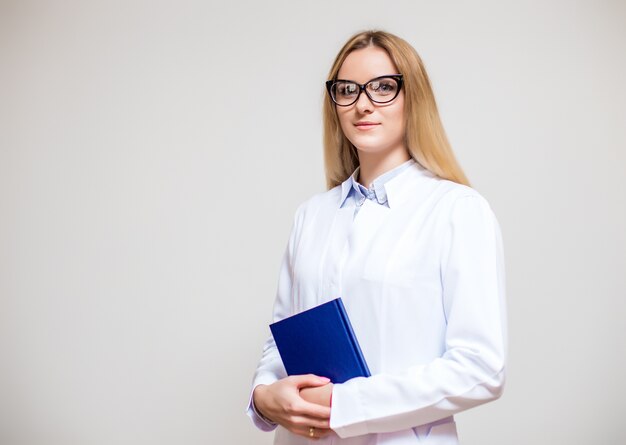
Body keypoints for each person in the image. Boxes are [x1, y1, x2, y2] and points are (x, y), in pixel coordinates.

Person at [246, 30, 507, 445]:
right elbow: (281, 341)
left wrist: (346, 405)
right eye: (346, 90)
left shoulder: (456, 210)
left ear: (413, 97)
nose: (362, 103)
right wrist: (263, 397)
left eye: (383, 87)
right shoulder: (311, 215)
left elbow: (481, 367)